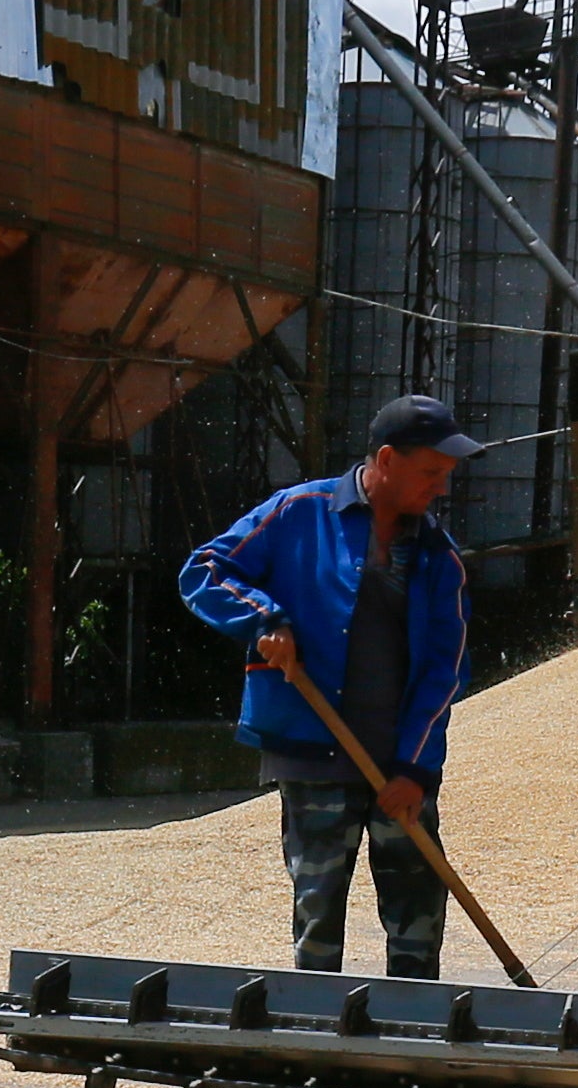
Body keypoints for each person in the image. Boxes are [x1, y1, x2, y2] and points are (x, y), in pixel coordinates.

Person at [178, 396, 478, 976]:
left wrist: (413, 769)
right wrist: (265, 618)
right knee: (318, 904)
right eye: (431, 473)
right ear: (387, 459)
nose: (441, 488)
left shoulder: (439, 556)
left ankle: (410, 1032)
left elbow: (446, 670)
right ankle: (314, 1025)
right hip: (311, 744)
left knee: (416, 898)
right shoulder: (298, 512)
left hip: (398, 757)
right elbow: (206, 571)